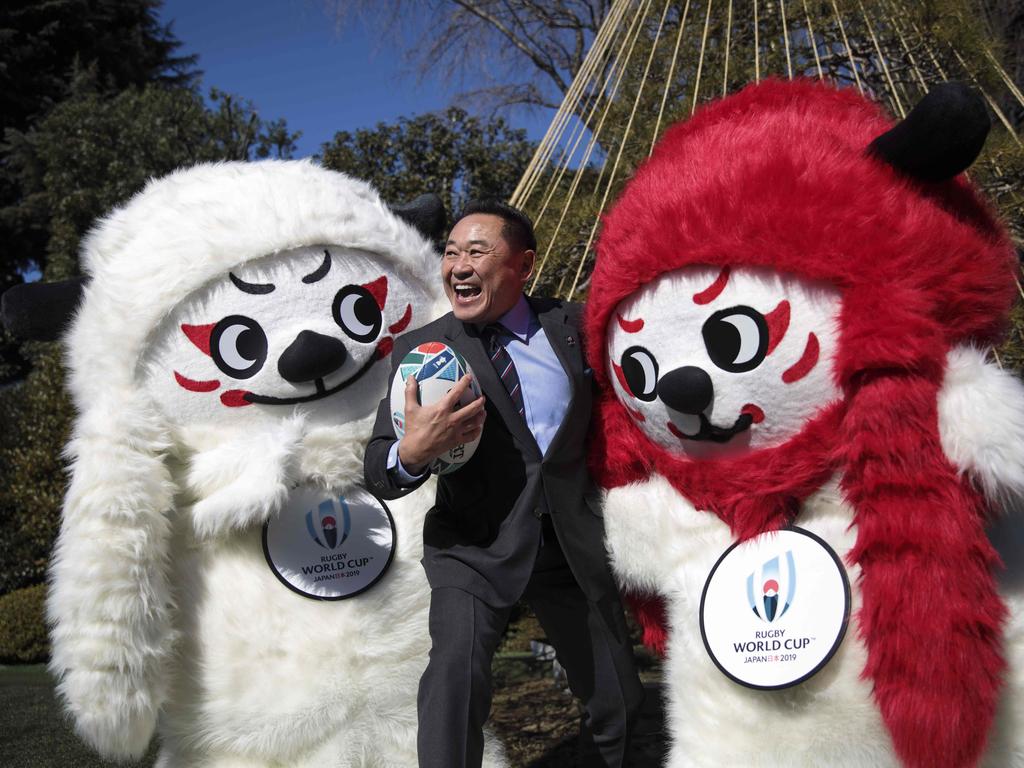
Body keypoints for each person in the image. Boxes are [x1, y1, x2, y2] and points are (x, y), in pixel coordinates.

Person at [363, 200, 644, 768]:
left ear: (524, 264)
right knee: (454, 684)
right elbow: (378, 467)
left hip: (571, 547)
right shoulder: (421, 353)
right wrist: (411, 455)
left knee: (620, 705)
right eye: (450, 252)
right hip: (473, 549)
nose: (458, 265)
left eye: (477, 251)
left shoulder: (574, 329)